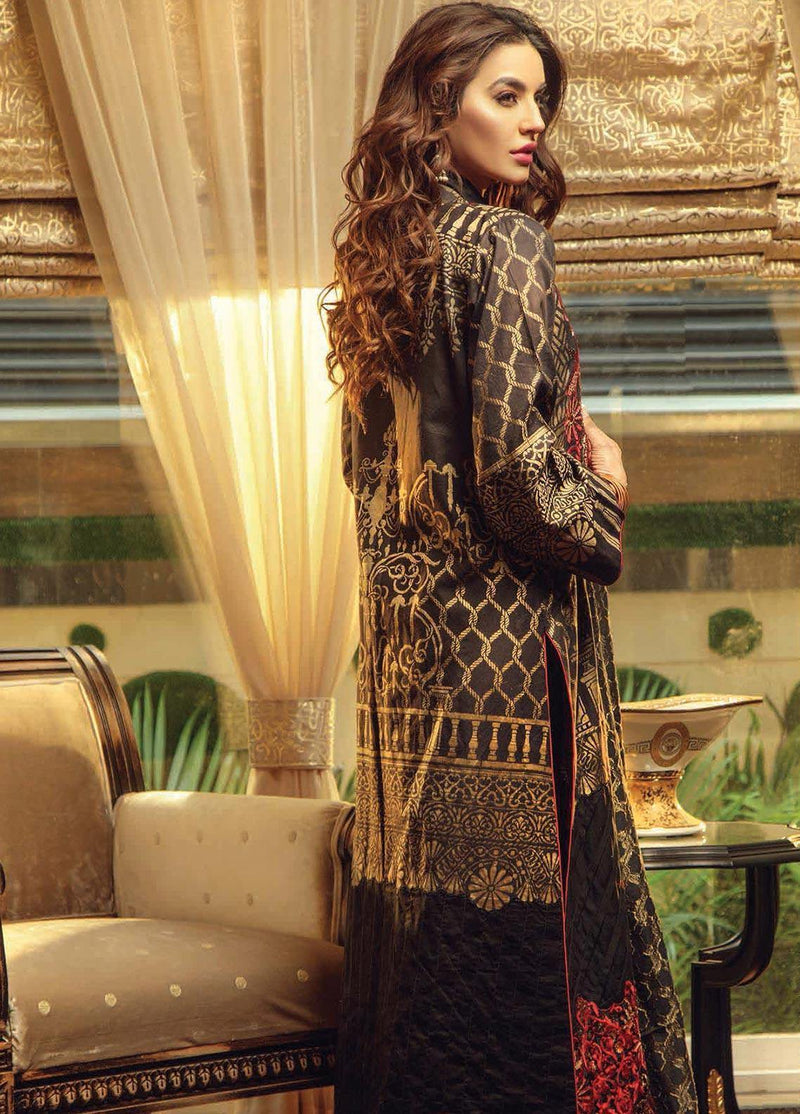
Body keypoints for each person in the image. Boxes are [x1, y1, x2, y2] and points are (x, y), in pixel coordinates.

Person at [321, 4, 698, 1112]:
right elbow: (515, 478)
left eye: (540, 99)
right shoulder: (504, 245)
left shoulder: (380, 261)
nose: (534, 121)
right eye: (506, 95)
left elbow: (364, 476)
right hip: (510, 675)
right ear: (436, 108)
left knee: (426, 963)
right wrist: (603, 495)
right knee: (543, 959)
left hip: (406, 678)